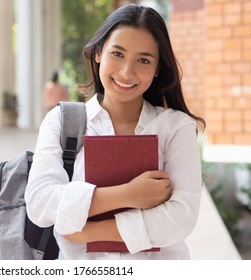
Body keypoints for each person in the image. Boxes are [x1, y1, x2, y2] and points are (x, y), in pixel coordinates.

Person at [26, 4, 206, 260]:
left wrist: (88, 231)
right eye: (117, 54)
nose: (126, 72)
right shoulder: (62, 121)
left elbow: (181, 219)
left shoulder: (175, 128)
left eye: (143, 60)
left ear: (157, 69)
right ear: (99, 53)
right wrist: (128, 194)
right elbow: (40, 203)